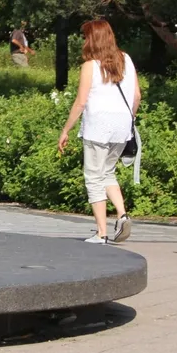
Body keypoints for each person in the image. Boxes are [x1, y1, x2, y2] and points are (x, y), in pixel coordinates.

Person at [57, 19, 137, 244]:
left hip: (97, 128)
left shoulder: (90, 66)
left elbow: (81, 102)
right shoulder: (126, 60)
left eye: (86, 37)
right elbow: (137, 96)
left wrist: (65, 130)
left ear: (92, 39)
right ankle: (122, 215)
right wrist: (129, 117)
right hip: (121, 127)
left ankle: (101, 232)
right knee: (107, 171)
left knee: (93, 177)